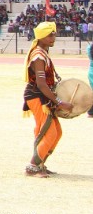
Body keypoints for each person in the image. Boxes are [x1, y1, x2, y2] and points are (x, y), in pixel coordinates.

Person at [23, 21, 72, 177]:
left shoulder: (43, 53)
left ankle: (40, 162)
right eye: (50, 34)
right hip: (37, 96)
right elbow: (41, 84)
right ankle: (32, 167)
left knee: (56, 132)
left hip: (44, 96)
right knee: (48, 132)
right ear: (42, 37)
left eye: (54, 34)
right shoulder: (38, 56)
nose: (53, 37)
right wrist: (59, 102)